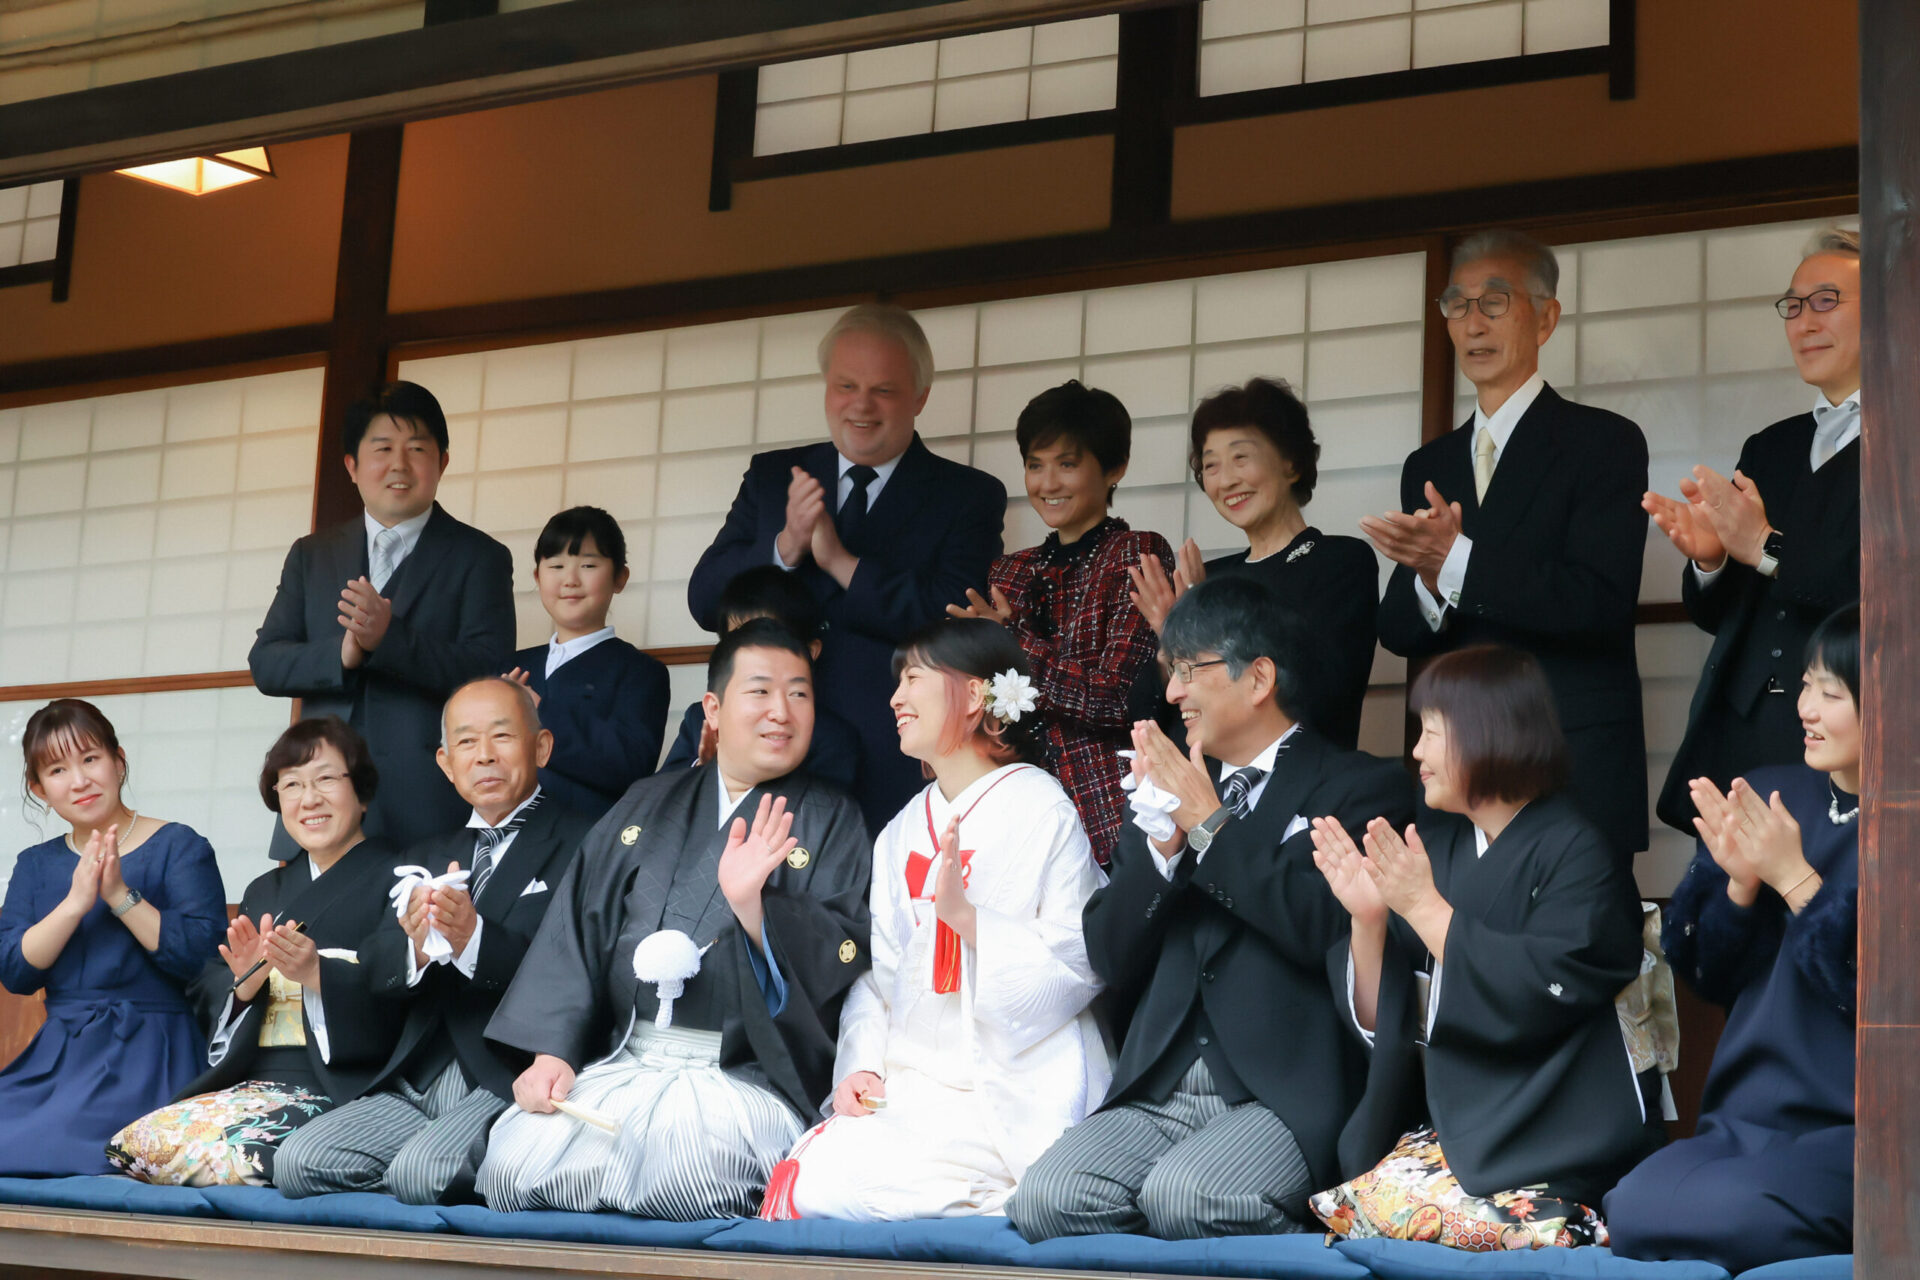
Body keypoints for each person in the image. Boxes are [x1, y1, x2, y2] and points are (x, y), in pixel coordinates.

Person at [1008, 578, 1414, 1242]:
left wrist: (1211, 825)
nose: (1171, 694)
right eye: (1169, 673)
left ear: (1258, 679)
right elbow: (1108, 955)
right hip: (1159, 1084)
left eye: (1188, 671)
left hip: (1281, 1093)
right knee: (1046, 1199)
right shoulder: (1174, 790)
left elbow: (1324, 927)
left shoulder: (1361, 786)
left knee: (1188, 1196)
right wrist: (1164, 853)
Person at [476, 619, 871, 1219]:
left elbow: (843, 956)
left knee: (681, 1179)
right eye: (760, 692)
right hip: (624, 1062)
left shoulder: (833, 820)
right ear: (712, 708)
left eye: (799, 694)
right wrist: (551, 1051)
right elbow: (576, 933)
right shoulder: (645, 801)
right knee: (513, 1170)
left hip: (743, 1078)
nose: (782, 712)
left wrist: (755, 909)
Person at [1307, 646, 1646, 1251]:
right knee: (1360, 1214)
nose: (1415, 752)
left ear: (1483, 734)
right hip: (1458, 1126)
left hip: (1552, 1131)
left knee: (1411, 1222)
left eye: (1431, 732)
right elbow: (1395, 1021)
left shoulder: (1579, 852)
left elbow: (1542, 994)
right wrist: (1370, 921)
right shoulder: (1440, 848)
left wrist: (1429, 910)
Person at [771, 619, 1108, 1220]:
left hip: (1007, 1082)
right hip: (914, 1084)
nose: (896, 698)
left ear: (977, 696)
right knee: (817, 1180)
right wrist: (863, 1064)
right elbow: (881, 978)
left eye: (913, 677)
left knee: (865, 1189)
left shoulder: (1042, 808)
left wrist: (969, 920)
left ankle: (1009, 1199)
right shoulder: (901, 831)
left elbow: (1079, 964)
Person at [1367, 230, 1649, 866]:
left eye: (1495, 302)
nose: (1474, 323)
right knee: (1455, 946)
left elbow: (1598, 602)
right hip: (1458, 756)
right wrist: (1429, 580)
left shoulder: (1605, 443)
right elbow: (1396, 628)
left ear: (1545, 317)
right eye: (1458, 306)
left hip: (1569, 750)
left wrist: (1455, 561)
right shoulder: (1429, 463)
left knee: (1572, 953)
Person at [1606, 605, 1860, 1271]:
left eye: (1831, 694)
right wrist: (1742, 887)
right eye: (1805, 684)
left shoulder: (1905, 820)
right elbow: (1703, 972)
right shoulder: (1772, 793)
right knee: (1632, 1209)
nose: (1805, 707)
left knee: (1733, 1215)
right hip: (1743, 1118)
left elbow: (1879, 1001)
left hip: (1858, 1129)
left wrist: (1796, 879)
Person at [274, 678, 594, 1204]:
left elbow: (579, 968)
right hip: (415, 1070)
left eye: (502, 737)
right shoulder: (425, 851)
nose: (484, 756)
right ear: (446, 764)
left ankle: (478, 1166)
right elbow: (376, 961)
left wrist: (474, 939)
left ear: (541, 747)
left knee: (420, 1175)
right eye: (467, 743)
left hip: (506, 1073)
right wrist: (416, 949)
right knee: (297, 1163)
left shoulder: (588, 841)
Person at [689, 304, 1007, 833]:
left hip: (891, 749)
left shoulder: (968, 495)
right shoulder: (774, 476)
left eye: (883, 390)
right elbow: (705, 601)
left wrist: (841, 563)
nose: (861, 405)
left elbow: (952, 619)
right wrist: (785, 547)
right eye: (845, 386)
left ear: (920, 397)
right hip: (765, 741)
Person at [105, 718, 399, 1186]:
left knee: (238, 1159)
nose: (309, 799)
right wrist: (242, 985)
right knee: (136, 1145)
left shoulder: (400, 879)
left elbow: (405, 992)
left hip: (344, 1084)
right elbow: (212, 984)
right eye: (292, 785)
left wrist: (317, 974)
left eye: (326, 779)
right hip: (257, 1079)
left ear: (361, 793)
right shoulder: (266, 890)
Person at [1648, 230, 1861, 834]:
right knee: (1727, 919)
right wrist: (1712, 563)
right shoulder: (1771, 447)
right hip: (1741, 734)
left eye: (1825, 300)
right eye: (1792, 305)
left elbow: (1887, 587)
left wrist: (1766, 548)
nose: (1802, 321)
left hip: (1856, 735)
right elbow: (1726, 613)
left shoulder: (1907, 437)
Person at [251, 381, 517, 854]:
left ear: (442, 463)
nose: (399, 464)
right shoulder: (311, 555)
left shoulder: (480, 557)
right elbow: (267, 663)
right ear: (352, 465)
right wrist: (344, 653)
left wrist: (389, 639)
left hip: (427, 806)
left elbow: (488, 671)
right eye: (382, 449)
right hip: (319, 802)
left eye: (416, 448)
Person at [945, 381, 1172, 866]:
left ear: (1114, 469)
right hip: (1012, 802)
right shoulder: (1008, 570)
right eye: (1034, 464)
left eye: (1067, 464)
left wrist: (1009, 641)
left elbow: (1117, 699)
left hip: (1105, 805)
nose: (1047, 483)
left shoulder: (1136, 553)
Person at [0, 700, 226, 1176]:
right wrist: (76, 903)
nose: (79, 780)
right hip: (60, 1054)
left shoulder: (179, 845)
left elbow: (204, 960)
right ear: (39, 789)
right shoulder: (35, 865)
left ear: (118, 761)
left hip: (154, 1048)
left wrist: (119, 895)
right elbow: (16, 972)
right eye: (57, 770)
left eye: (90, 759)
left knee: (56, 1143)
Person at [1129, 377, 1379, 751]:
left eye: (1241, 458)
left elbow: (1322, 695)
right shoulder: (1209, 580)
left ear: (1291, 463)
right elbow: (1153, 718)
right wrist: (1173, 637)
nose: (1226, 480)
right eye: (1211, 466)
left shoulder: (1340, 562)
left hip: (1306, 786)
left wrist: (1205, 635)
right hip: (1211, 789)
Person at [504, 506, 671, 820]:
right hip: (502, 835)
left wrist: (538, 713)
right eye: (555, 565)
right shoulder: (511, 665)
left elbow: (630, 765)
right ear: (538, 577)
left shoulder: (641, 673)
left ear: (620, 577)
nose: (570, 580)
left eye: (588, 565)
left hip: (587, 839)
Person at [664, 565, 862, 793]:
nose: (756, 652)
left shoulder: (832, 738)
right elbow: (660, 799)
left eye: (771, 638)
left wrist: (739, 775)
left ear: (811, 651)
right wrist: (705, 770)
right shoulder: (700, 719)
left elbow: (823, 814)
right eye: (740, 638)